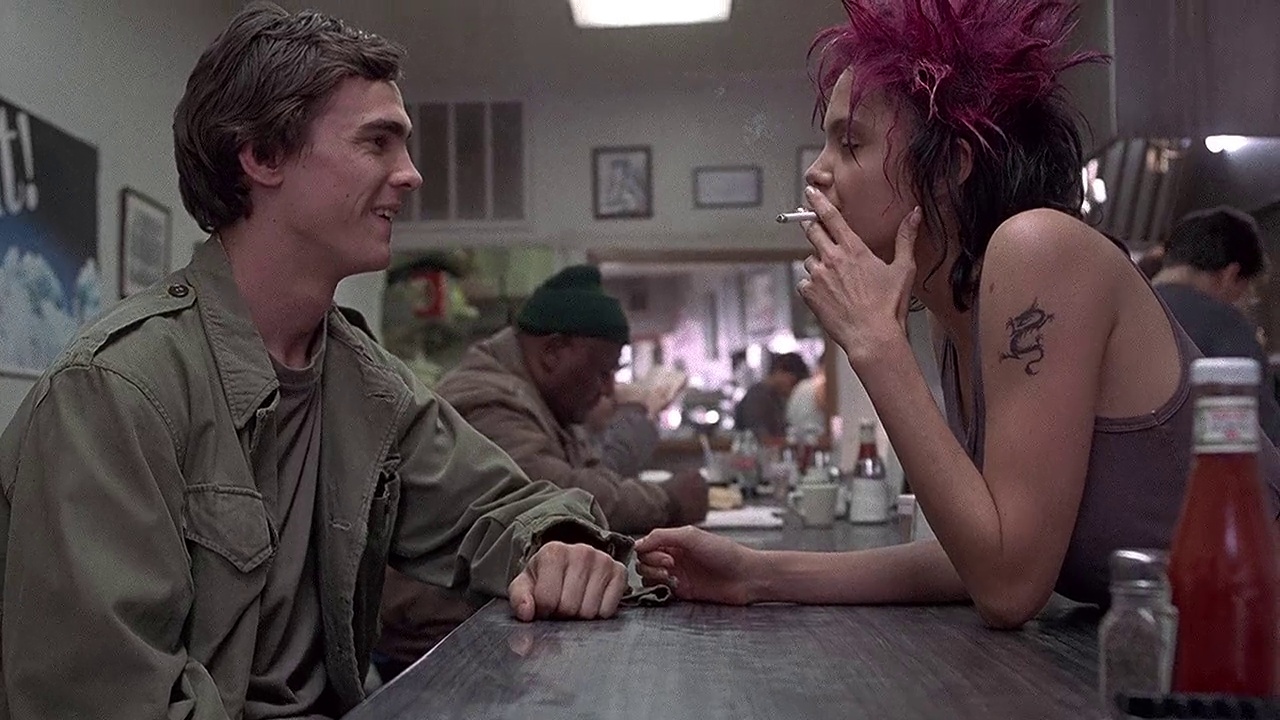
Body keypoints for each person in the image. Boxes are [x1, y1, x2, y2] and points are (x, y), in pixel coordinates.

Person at [0, 4, 635, 718]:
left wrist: (559, 545)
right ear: (263, 155)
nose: (411, 175)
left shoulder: (366, 383)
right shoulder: (114, 392)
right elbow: (98, 702)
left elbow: (505, 507)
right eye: (377, 143)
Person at [636, 0, 1280, 629]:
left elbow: (1009, 587)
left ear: (951, 165)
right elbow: (981, 549)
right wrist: (756, 574)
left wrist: (876, 343)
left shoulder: (1037, 248)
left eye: (849, 143)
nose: (817, 173)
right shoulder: (962, 309)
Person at [373, 265, 707, 680]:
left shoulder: (544, 405)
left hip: (484, 626)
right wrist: (669, 500)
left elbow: (595, 479)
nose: (609, 390)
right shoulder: (487, 401)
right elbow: (560, 495)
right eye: (603, 372)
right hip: (438, 647)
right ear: (553, 352)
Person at [1152, 206, 1280, 443]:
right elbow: (1264, 437)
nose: (1244, 302)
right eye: (1247, 291)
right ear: (1230, 275)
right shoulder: (1225, 326)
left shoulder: (1118, 306)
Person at [732, 351, 810, 442]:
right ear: (780, 372)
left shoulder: (775, 397)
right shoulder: (758, 397)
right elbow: (763, 439)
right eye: (793, 383)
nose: (793, 390)